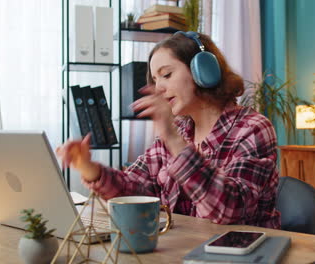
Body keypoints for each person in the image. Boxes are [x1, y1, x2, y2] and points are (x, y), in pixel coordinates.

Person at [56, 31, 280, 229]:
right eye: (155, 79)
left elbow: (229, 210)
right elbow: (134, 188)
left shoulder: (252, 128)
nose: (159, 87)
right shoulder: (179, 131)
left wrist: (173, 139)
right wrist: (88, 167)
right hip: (184, 251)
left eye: (166, 74)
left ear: (202, 71)